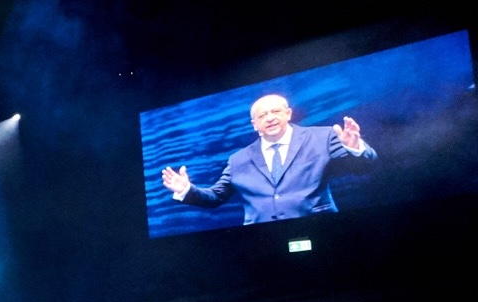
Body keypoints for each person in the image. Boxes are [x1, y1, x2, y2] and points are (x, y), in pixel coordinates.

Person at [160, 94, 374, 225]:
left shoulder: (322, 136)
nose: (270, 118)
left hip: (320, 230)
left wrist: (354, 148)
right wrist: (186, 190)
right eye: (262, 115)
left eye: (275, 111)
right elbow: (215, 197)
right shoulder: (238, 160)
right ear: (254, 124)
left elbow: (362, 169)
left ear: (288, 113)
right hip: (263, 242)